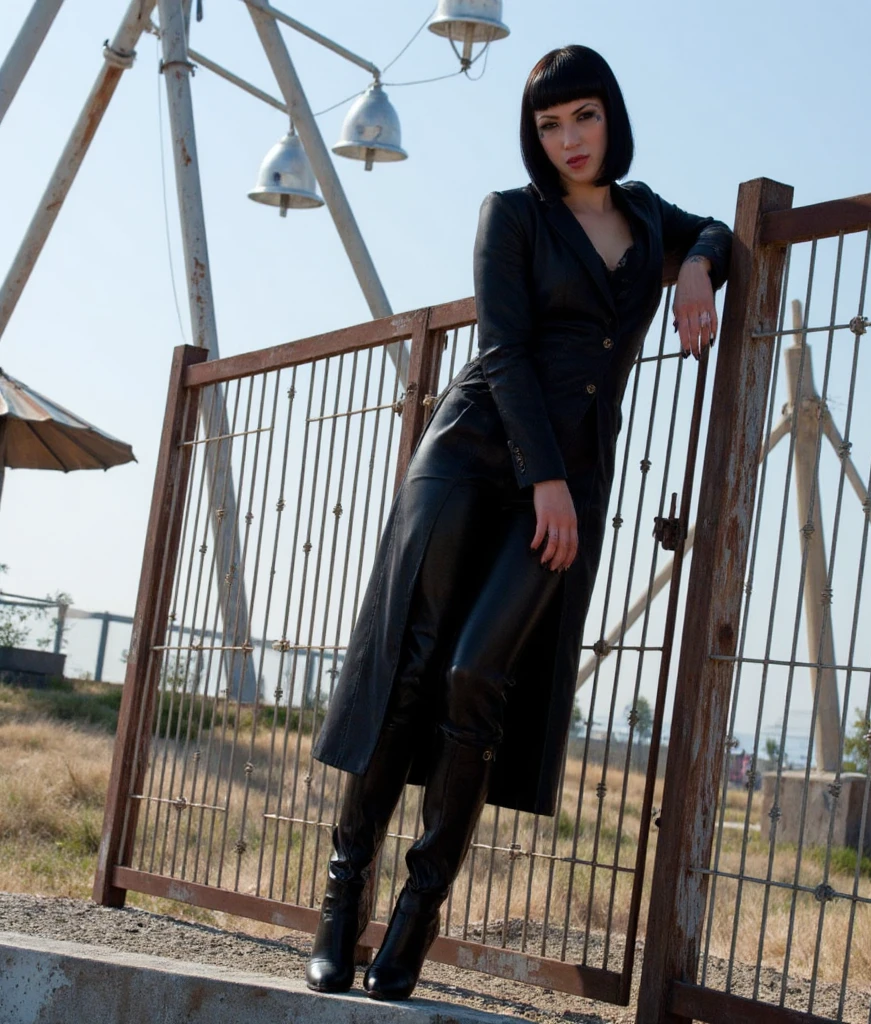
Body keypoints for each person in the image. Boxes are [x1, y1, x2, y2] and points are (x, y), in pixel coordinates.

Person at [304, 44, 732, 1002]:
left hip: (565, 486)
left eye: (583, 117)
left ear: (611, 117)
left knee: (475, 680)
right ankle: (343, 902)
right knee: (413, 674)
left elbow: (718, 231)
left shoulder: (649, 217)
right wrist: (545, 480)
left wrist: (699, 268)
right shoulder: (512, 214)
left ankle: (416, 918)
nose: (568, 139)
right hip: (468, 463)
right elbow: (500, 348)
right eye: (549, 124)